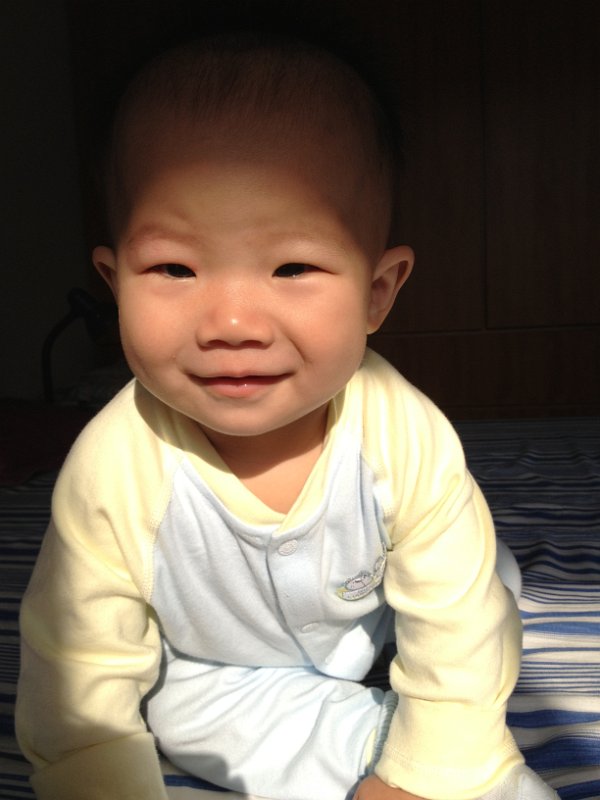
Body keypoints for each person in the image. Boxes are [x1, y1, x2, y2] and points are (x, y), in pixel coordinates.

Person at [16, 31, 558, 800]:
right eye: (174, 268)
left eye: (293, 266)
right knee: (182, 713)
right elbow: (79, 668)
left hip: (373, 619)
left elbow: (456, 624)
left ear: (377, 293)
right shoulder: (112, 469)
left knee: (470, 600)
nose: (232, 323)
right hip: (221, 669)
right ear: (115, 285)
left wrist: (432, 769)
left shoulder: (404, 432)